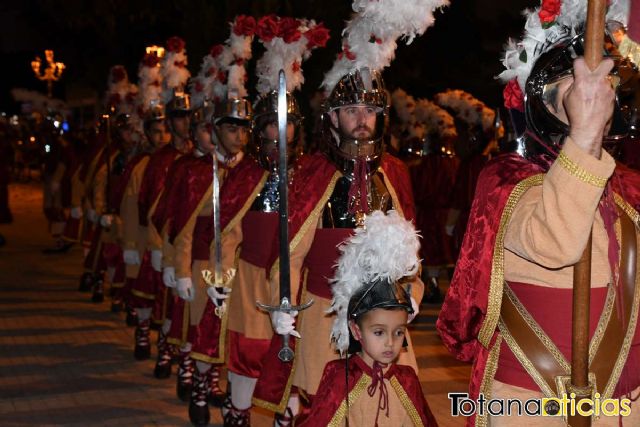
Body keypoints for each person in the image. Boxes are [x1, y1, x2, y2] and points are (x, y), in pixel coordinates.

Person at [437, 1, 640, 425]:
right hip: (530, 402)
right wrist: (582, 139)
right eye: (575, 89)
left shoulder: (626, 183)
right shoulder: (507, 180)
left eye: (603, 88)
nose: (595, 100)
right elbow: (554, 243)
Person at [252, 0, 449, 419]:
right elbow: (289, 253)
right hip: (325, 319)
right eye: (352, 111)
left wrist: (412, 295)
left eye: (371, 111)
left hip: (384, 323)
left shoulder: (394, 172)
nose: (362, 119)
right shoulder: (312, 172)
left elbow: (408, 253)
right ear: (334, 117)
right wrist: (282, 303)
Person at [220, 16, 328, 426]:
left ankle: (287, 416)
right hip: (249, 279)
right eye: (268, 127)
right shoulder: (245, 174)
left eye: (285, 127)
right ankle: (238, 411)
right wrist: (221, 275)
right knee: (248, 357)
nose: (277, 135)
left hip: (293, 282)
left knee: (290, 360)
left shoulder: (310, 174)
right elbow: (228, 232)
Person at [301, 211, 437, 426]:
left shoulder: (407, 379)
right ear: (356, 331)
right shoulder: (340, 377)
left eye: (399, 332)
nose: (390, 343)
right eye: (378, 332)